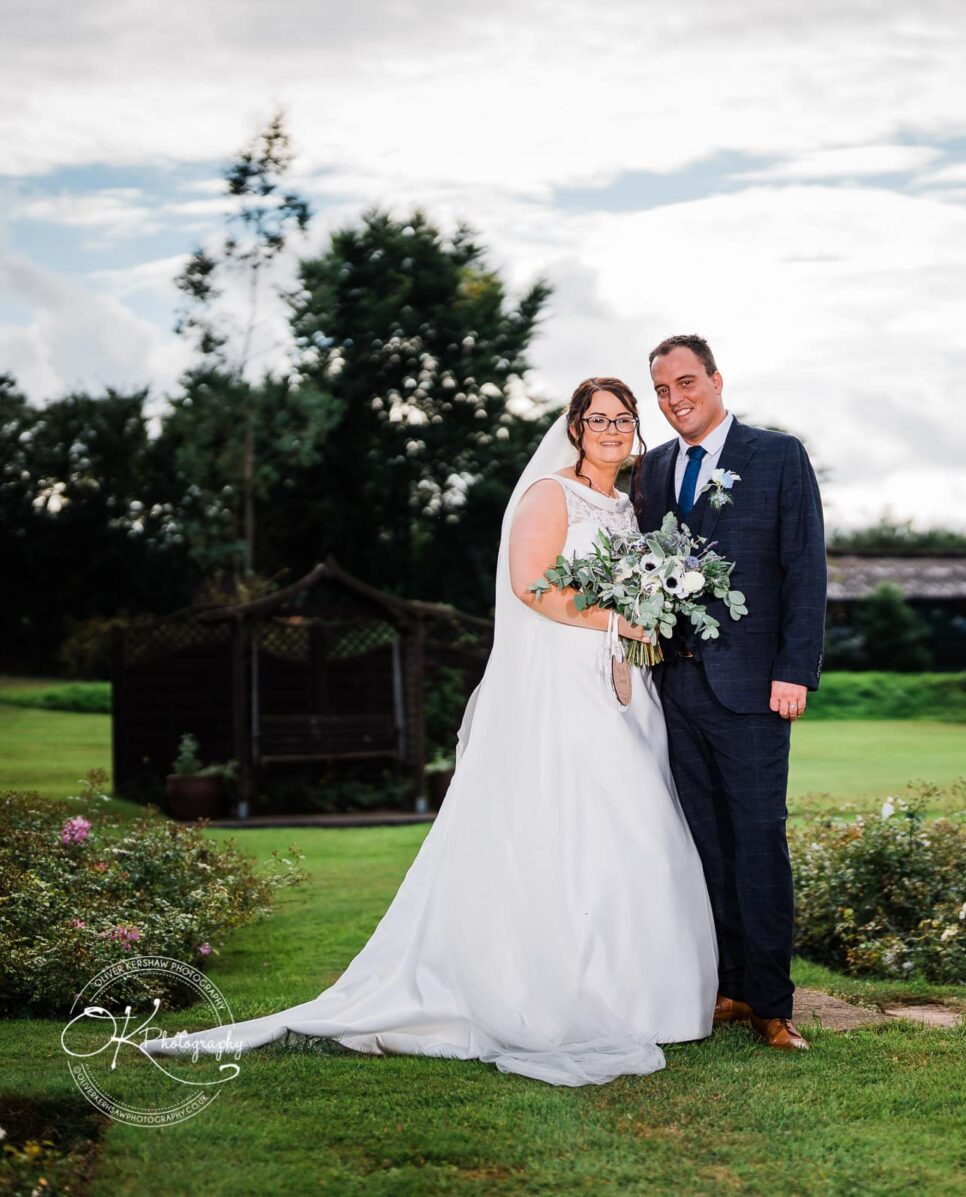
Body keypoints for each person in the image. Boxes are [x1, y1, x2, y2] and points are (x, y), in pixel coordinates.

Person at [142, 378, 718, 1087]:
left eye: (623, 418)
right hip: (560, 681)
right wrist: (615, 618)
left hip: (620, 679)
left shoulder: (629, 506)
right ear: (574, 428)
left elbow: (624, 586)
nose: (610, 428)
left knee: (636, 824)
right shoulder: (549, 494)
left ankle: (645, 994)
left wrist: (636, 623)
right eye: (597, 417)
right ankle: (562, 988)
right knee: (572, 820)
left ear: (634, 430)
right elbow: (529, 586)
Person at [636, 334, 827, 1052]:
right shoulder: (652, 470)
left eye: (686, 382)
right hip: (675, 685)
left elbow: (804, 569)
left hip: (753, 688)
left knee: (757, 840)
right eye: (661, 389)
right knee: (703, 843)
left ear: (717, 379)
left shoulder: (778, 456)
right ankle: (730, 984)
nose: (675, 398)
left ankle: (774, 1004)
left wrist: (794, 669)